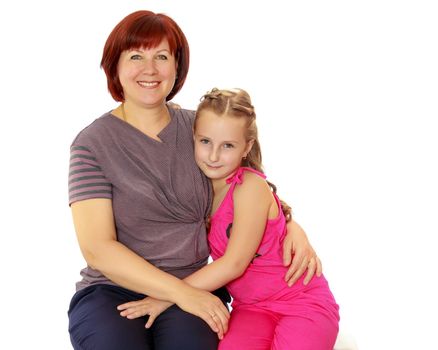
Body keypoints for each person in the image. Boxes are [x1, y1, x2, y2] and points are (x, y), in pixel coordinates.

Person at [68, 10, 322, 350]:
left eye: (161, 56)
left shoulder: (200, 130)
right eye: (136, 56)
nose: (150, 69)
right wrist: (179, 294)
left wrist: (291, 226)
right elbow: (98, 248)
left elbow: (246, 189)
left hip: (194, 282)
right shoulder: (92, 144)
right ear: (115, 65)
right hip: (112, 289)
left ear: (177, 66)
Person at [118, 88, 340, 349]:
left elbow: (234, 263)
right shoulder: (199, 187)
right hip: (251, 309)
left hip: (300, 302)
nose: (213, 156)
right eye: (205, 142)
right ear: (193, 137)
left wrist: (166, 297)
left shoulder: (249, 186)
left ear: (246, 147)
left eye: (228, 146)